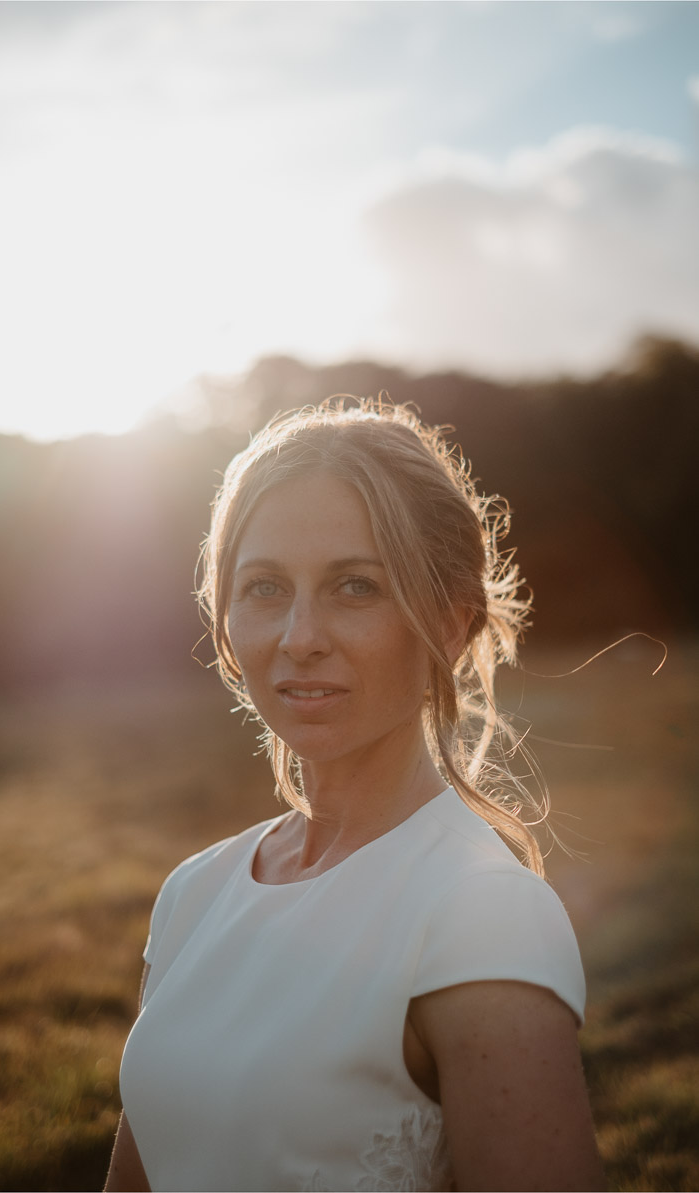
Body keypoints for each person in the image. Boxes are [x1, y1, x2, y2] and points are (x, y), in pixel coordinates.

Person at [105, 400, 603, 1192]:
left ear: (449, 622)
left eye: (355, 586)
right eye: (265, 586)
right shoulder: (194, 893)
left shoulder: (482, 911)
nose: (300, 635)